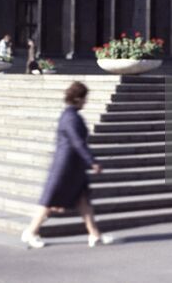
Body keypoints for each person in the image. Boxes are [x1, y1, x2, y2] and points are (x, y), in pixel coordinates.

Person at [21, 82, 113, 249]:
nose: (86, 102)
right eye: (85, 98)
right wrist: (92, 162)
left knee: (83, 200)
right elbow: (77, 143)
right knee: (50, 201)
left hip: (73, 166)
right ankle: (31, 231)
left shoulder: (71, 115)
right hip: (66, 167)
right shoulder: (71, 117)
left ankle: (95, 235)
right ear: (78, 98)